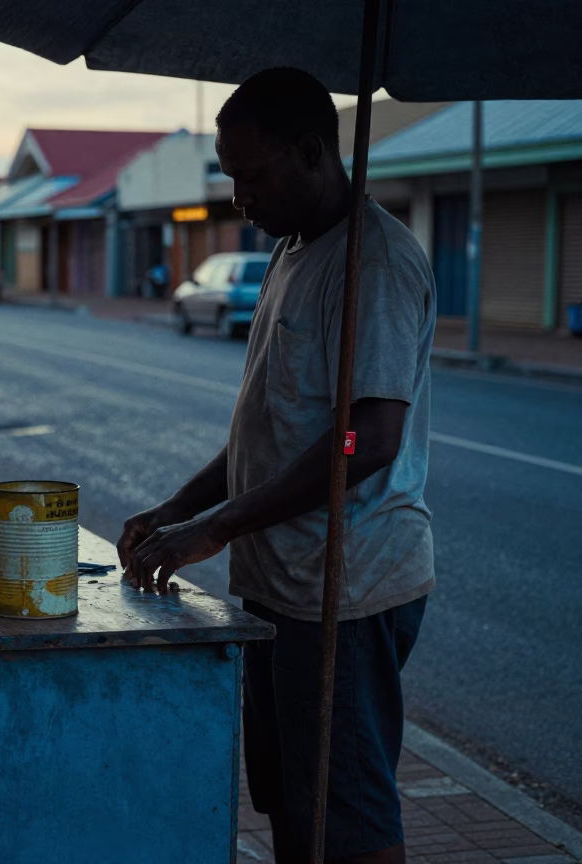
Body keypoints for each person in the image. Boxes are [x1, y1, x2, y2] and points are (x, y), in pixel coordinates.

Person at [117, 67, 436, 864]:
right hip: (280, 584)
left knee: (346, 815)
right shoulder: (294, 250)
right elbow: (270, 431)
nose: (239, 197)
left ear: (311, 152)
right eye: (231, 177)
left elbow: (368, 438)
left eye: (253, 175)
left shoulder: (376, 265)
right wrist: (178, 510)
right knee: (294, 802)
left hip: (344, 591)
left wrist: (215, 529)